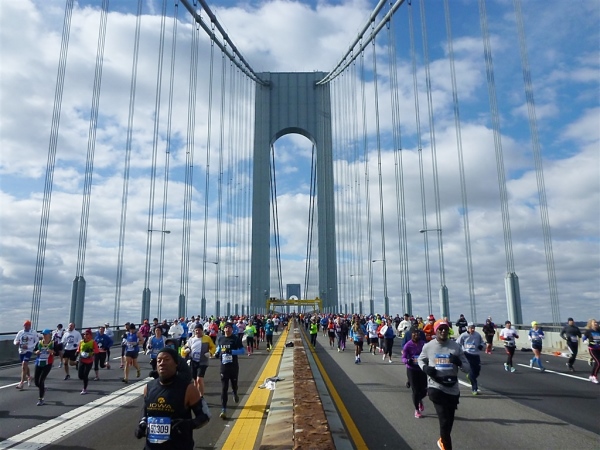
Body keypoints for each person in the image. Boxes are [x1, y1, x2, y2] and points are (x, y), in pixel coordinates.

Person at [135, 347, 210, 449]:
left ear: (176, 364)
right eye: (159, 361)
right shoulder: (149, 387)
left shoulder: (188, 389)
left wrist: (188, 424)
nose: (162, 363)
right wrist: (142, 423)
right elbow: (145, 410)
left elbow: (205, 416)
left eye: (167, 360)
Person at [418, 319, 470, 450]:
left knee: (449, 420)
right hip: (435, 387)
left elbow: (467, 368)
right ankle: (446, 446)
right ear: (435, 331)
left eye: (445, 329)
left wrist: (458, 362)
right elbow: (420, 359)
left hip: (452, 388)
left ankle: (443, 439)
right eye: (440, 329)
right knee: (444, 419)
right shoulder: (428, 346)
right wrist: (425, 368)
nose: (443, 331)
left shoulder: (455, 346)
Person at [215, 322, 245, 419]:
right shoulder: (221, 339)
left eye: (229, 327)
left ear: (232, 329)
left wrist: (231, 351)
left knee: (234, 384)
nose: (227, 329)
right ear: (223, 329)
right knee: (224, 388)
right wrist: (217, 353)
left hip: (233, 366)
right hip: (224, 366)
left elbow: (242, 351)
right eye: (226, 327)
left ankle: (235, 392)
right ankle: (223, 410)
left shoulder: (235, 339)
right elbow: (219, 347)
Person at [183, 326, 215, 397]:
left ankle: (201, 396)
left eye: (199, 330)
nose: (198, 332)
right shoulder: (191, 339)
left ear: (202, 331)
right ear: (194, 331)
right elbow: (184, 348)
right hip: (193, 361)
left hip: (203, 361)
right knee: (195, 380)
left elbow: (213, 347)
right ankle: (196, 395)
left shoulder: (207, 338)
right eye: (196, 330)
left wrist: (210, 353)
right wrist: (185, 351)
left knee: (199, 379)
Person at [402, 329, 427, 418]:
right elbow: (403, 358)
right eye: (414, 334)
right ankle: (417, 410)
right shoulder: (408, 345)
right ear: (411, 335)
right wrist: (408, 361)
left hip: (421, 368)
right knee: (415, 391)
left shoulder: (423, 344)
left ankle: (419, 399)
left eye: (417, 334)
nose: (416, 335)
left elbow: (429, 354)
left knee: (424, 390)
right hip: (412, 369)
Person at [457, 323, 485, 394]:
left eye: (473, 328)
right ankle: (474, 388)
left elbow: (482, 342)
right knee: (472, 371)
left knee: (477, 371)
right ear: (468, 328)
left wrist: (481, 345)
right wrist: (460, 351)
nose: (472, 329)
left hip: (476, 355)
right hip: (467, 354)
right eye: (471, 328)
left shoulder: (477, 335)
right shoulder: (463, 335)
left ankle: (469, 376)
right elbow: (458, 343)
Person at [14, 320, 39, 389]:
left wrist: (29, 346)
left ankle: (21, 383)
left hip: (29, 350)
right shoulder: (20, 332)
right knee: (25, 365)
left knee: (24, 364)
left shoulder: (33, 332)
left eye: (27, 325)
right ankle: (29, 377)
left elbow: (37, 342)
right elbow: (15, 340)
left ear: (30, 326)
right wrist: (16, 343)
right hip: (21, 350)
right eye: (25, 325)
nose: (25, 327)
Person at [33, 328, 54, 405]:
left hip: (47, 363)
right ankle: (43, 388)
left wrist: (51, 352)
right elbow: (34, 351)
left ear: (49, 335)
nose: (44, 336)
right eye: (43, 334)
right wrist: (36, 352)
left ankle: (41, 399)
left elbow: (57, 352)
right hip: (39, 363)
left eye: (45, 334)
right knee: (36, 382)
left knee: (41, 381)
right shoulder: (39, 343)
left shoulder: (53, 343)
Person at [78, 328, 99, 394]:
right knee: (80, 376)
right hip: (81, 360)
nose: (85, 335)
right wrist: (76, 354)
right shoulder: (81, 342)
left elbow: (97, 351)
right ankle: (85, 380)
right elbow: (79, 349)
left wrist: (92, 351)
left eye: (87, 334)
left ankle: (84, 389)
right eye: (84, 334)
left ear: (90, 335)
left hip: (89, 361)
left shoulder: (93, 342)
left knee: (85, 375)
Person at [582, 318, 600, 384]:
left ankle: (591, 376)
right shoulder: (589, 331)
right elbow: (584, 338)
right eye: (594, 322)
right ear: (591, 324)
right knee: (598, 362)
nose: (596, 323)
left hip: (599, 349)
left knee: (597, 363)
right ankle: (594, 377)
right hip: (592, 349)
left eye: (596, 322)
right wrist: (585, 341)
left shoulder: (599, 330)